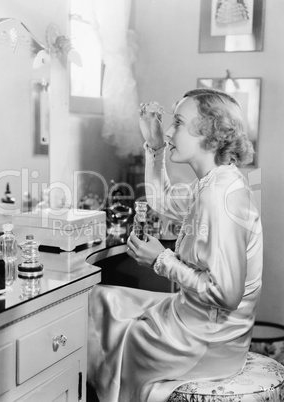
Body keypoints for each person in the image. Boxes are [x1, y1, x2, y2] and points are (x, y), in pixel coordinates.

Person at [87, 88, 263, 402]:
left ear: (210, 135)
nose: (169, 131)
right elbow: (162, 200)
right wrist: (154, 147)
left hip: (208, 340)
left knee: (103, 323)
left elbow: (228, 294)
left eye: (178, 123)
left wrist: (161, 260)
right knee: (102, 299)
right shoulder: (215, 181)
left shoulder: (219, 195)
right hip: (198, 320)